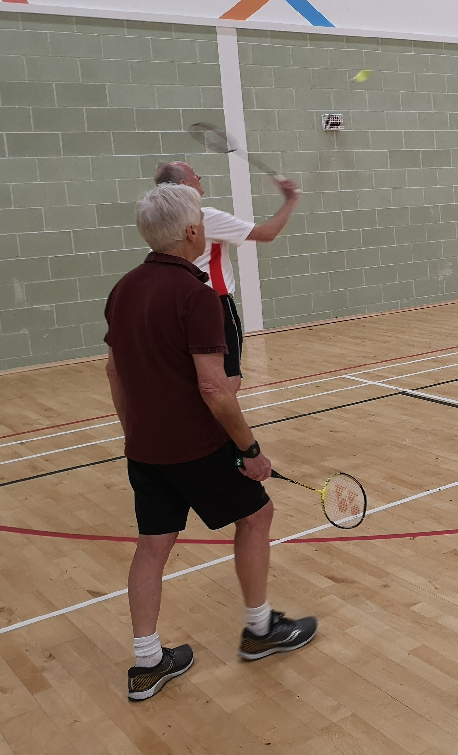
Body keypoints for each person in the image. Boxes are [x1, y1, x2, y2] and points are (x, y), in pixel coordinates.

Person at [106, 184, 316, 702]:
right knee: (257, 516)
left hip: (143, 447)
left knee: (152, 546)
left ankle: (147, 663)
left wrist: (134, 431)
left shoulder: (123, 288)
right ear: (192, 232)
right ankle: (260, 630)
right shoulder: (197, 295)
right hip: (197, 446)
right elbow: (214, 388)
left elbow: (113, 371)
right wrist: (250, 450)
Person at [154, 162, 300, 390]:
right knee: (228, 377)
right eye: (194, 174)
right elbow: (267, 233)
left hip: (175, 305)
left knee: (192, 374)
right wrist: (290, 200)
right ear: (184, 184)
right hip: (215, 304)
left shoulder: (159, 223)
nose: (199, 176)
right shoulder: (206, 218)